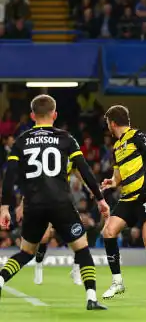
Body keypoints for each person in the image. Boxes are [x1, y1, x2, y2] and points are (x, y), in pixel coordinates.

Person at [0, 94, 109, 310]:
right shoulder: (66, 138)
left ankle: (0, 280)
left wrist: (5, 206)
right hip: (61, 204)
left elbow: (10, 175)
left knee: (25, 252)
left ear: (32, 116)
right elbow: (84, 170)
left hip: (33, 205)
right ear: (55, 114)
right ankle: (91, 298)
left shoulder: (21, 140)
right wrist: (100, 198)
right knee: (82, 249)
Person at [100, 105, 146, 301]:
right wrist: (113, 182)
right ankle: (117, 282)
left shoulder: (139, 136)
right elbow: (119, 172)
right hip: (127, 198)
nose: (108, 128)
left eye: (108, 124)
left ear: (113, 123)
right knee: (109, 231)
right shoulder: (116, 147)